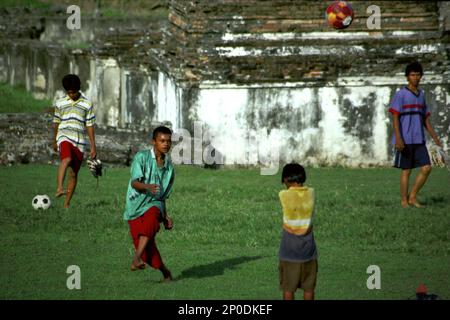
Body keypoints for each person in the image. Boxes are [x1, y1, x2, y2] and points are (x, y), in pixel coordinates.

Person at [123, 126, 174, 281]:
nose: (166, 144)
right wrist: (147, 187)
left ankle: (135, 258)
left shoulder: (169, 167)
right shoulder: (142, 157)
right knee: (147, 250)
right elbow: (134, 183)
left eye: (169, 141)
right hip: (135, 205)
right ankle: (166, 273)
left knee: (152, 219)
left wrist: (165, 216)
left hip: (155, 203)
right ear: (154, 142)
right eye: (162, 141)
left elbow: (163, 195)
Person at [388, 62, 442, 208]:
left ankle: (412, 196)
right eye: (412, 75)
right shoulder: (401, 95)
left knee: (426, 168)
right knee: (407, 171)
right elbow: (395, 117)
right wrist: (398, 138)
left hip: (419, 139)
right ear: (407, 77)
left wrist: (435, 138)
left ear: (421, 77)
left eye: (418, 75)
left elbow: (426, 120)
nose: (416, 77)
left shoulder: (421, 96)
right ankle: (404, 201)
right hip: (405, 139)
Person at [53, 74, 97, 208]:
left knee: (73, 173)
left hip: (80, 141)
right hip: (64, 136)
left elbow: (89, 125)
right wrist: (55, 140)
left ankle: (66, 204)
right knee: (66, 159)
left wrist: (93, 146)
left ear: (79, 89)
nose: (71, 94)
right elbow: (56, 122)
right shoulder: (60, 103)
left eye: (73, 92)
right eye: (69, 92)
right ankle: (60, 188)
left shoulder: (87, 104)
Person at [278, 163, 318, 300]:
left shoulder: (283, 195)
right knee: (309, 288)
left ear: (286, 180)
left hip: (289, 251)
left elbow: (287, 193)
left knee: (288, 288)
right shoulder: (311, 194)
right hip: (309, 251)